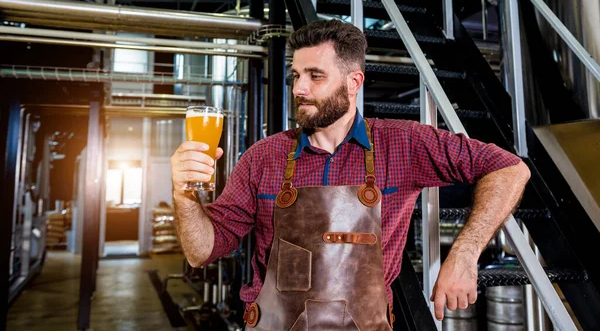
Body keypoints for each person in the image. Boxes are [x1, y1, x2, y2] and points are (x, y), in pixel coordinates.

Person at [170, 19, 531, 330]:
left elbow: (509, 167)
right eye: (296, 76)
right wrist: (183, 194)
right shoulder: (263, 158)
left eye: (315, 76)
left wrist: (464, 255)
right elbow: (201, 252)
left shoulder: (402, 143)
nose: (299, 88)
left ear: (353, 82)